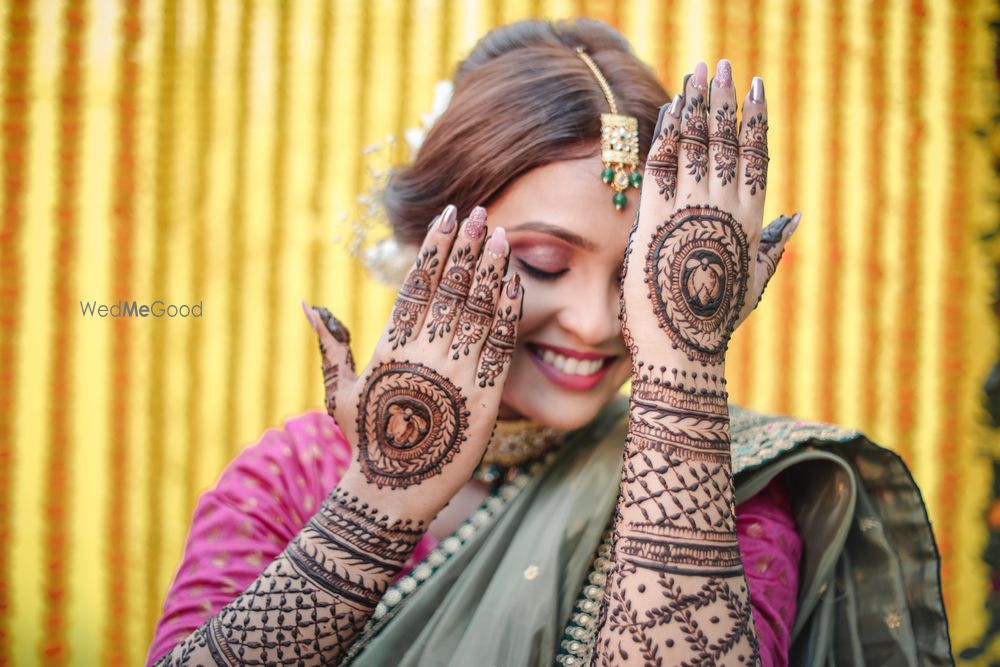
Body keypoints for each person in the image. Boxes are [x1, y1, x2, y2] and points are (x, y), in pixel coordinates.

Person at [146, 18, 952, 666]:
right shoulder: (299, 476)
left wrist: (683, 378)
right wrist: (379, 504)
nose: (598, 324)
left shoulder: (737, 486)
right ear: (430, 251)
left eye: (643, 277)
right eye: (541, 262)